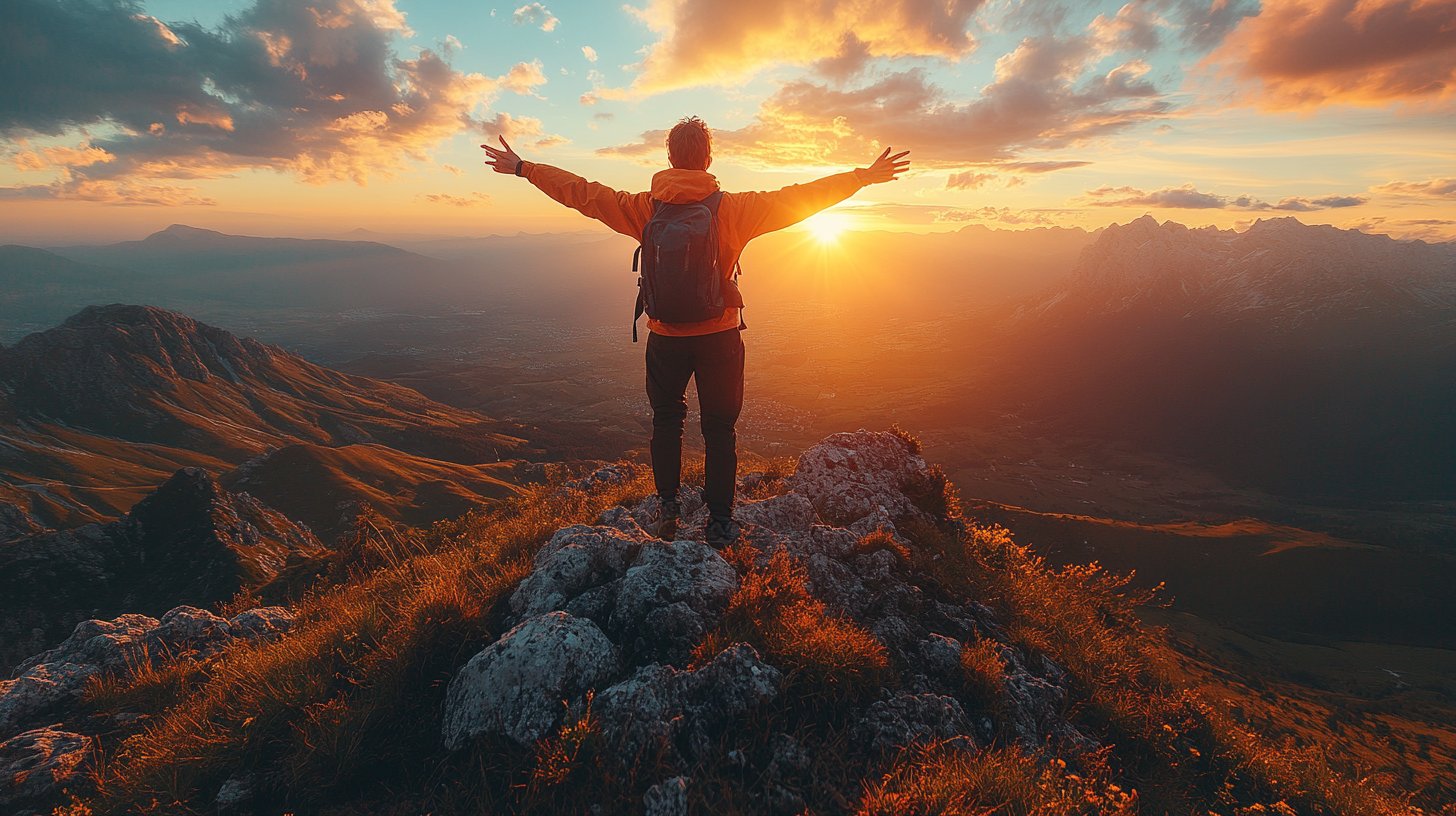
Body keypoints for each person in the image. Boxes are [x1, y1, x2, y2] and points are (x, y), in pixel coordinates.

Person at [482, 117, 909, 547]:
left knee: (667, 421)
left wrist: (524, 168)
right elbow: (800, 197)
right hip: (719, 336)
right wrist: (862, 178)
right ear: (707, 159)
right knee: (719, 430)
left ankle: (668, 507)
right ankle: (721, 522)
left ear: (670, 158)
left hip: (665, 336)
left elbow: (583, 193)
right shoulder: (735, 209)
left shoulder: (644, 207)